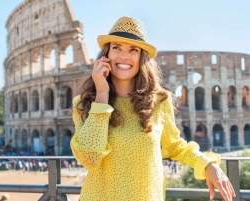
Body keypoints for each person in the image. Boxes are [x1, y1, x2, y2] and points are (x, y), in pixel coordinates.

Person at [70, 16, 235, 201]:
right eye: (116, 47)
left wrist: (207, 164)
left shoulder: (159, 101)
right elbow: (89, 157)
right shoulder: (84, 103)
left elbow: (175, 146)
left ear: (142, 57)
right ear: (105, 55)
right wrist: (101, 95)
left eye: (133, 49)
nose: (124, 55)